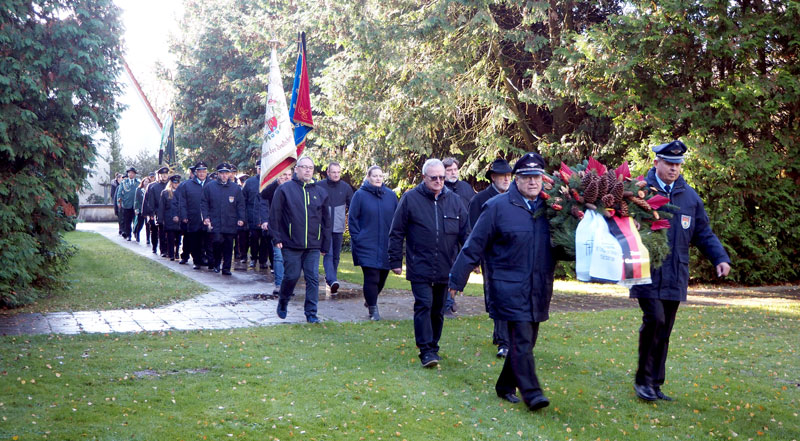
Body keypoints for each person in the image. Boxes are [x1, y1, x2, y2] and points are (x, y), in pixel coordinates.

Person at [448, 152, 556, 411]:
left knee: (527, 341)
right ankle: (533, 393)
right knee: (519, 340)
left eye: (537, 177)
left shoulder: (551, 210)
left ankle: (505, 385)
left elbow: (563, 246)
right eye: (527, 177)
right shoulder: (497, 207)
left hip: (538, 287)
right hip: (507, 286)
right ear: (516, 180)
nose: (533, 182)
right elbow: (474, 245)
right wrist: (455, 281)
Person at [631, 140, 731, 402]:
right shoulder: (638, 190)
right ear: (657, 163)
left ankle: (655, 384)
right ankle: (643, 380)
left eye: (678, 165)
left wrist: (719, 258)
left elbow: (703, 233)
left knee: (664, 330)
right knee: (655, 320)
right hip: (646, 271)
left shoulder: (689, 196)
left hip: (676, 273)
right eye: (669, 164)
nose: (674, 169)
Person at [388, 158, 470, 368]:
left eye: (442, 177)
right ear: (424, 177)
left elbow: (466, 234)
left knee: (438, 309)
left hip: (446, 265)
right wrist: (395, 260)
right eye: (434, 177)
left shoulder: (454, 201)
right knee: (424, 304)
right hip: (420, 264)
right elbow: (397, 232)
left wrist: (472, 260)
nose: (439, 181)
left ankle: (434, 346)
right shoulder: (410, 199)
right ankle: (425, 350)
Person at [269, 157, 331, 323]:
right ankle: (283, 300)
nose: (308, 170)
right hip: (291, 243)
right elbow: (275, 215)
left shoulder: (320, 192)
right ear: (296, 169)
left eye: (311, 168)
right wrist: (276, 238)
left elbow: (326, 220)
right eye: (304, 167)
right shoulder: (285, 190)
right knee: (292, 276)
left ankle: (311, 313)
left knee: (312, 278)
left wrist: (325, 243)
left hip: (313, 244)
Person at [467, 158, 513, 358]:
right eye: (502, 176)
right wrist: (475, 259)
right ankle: (503, 340)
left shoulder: (515, 197)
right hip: (491, 257)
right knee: (496, 295)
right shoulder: (480, 200)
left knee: (508, 296)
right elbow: (473, 231)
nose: (506, 179)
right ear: (493, 178)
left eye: (509, 175)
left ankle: (502, 336)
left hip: (513, 255)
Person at [348, 166, 398, 320]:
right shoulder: (360, 195)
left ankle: (370, 299)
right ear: (368, 177)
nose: (378, 178)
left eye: (380, 176)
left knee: (382, 277)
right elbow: (353, 218)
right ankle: (373, 311)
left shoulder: (390, 196)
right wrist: (358, 238)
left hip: (386, 244)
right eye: (374, 176)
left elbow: (398, 219)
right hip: (366, 244)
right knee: (372, 277)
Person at [441, 157, 475, 315]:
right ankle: (447, 303)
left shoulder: (466, 188)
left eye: (455, 169)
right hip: (447, 236)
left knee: (462, 269)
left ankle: (451, 298)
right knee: (448, 270)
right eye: (449, 170)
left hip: (466, 233)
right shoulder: (440, 189)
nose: (453, 173)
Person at [201, 162, 246, 275]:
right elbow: (204, 203)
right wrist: (206, 217)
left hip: (230, 221)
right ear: (218, 174)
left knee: (228, 244)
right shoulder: (210, 187)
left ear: (230, 174)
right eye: (222, 173)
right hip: (215, 221)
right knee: (216, 242)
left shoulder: (235, 188)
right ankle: (216, 263)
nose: (224, 175)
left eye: (226, 173)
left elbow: (240, 205)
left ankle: (226, 268)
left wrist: (241, 218)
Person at [319, 161, 354, 294]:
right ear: (328, 172)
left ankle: (331, 280)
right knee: (328, 253)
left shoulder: (345, 188)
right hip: (324, 227)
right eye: (333, 172)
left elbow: (353, 206)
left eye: (338, 172)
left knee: (336, 256)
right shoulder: (320, 186)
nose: (336, 174)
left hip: (338, 227)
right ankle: (332, 279)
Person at [261, 168, 292, 296]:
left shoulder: (295, 187)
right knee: (278, 257)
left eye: (289, 175)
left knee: (290, 259)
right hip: (277, 228)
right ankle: (279, 284)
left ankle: (288, 285)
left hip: (292, 229)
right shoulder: (273, 188)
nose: (286, 177)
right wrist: (276, 184)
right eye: (284, 174)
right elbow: (263, 195)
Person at [180, 161, 210, 270]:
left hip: (208, 219)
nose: (202, 174)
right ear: (195, 172)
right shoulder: (187, 185)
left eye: (204, 171)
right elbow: (182, 202)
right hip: (193, 217)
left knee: (207, 241)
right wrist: (184, 216)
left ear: (207, 172)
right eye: (199, 171)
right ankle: (197, 261)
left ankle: (207, 260)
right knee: (195, 241)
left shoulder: (211, 184)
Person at [242, 161, 270, 271]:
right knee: (253, 238)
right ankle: (253, 258)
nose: (261, 170)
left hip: (265, 216)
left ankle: (263, 260)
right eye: (259, 168)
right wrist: (244, 216)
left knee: (265, 240)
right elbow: (243, 200)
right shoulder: (249, 182)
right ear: (256, 169)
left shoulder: (270, 182)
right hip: (252, 216)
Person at [144, 166, 170, 255]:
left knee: (168, 232)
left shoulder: (170, 185)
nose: (164, 176)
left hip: (168, 213)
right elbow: (150, 201)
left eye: (166, 174)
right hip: (157, 212)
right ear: (159, 175)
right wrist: (151, 213)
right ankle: (158, 248)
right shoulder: (153, 186)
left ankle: (167, 249)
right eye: (163, 174)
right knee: (158, 232)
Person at [159, 174, 183, 260]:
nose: (176, 185)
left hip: (179, 219)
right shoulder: (165, 193)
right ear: (171, 183)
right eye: (174, 183)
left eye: (178, 183)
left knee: (178, 238)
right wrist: (160, 219)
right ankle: (171, 254)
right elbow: (162, 207)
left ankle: (177, 252)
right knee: (170, 237)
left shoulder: (182, 193)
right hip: (169, 218)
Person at [116, 167, 140, 241]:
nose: (131, 174)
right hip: (126, 204)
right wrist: (118, 202)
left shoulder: (138, 182)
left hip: (136, 205)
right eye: (129, 173)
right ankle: (128, 235)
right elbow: (119, 193)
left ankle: (136, 233)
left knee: (136, 221)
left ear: (135, 174)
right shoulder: (124, 182)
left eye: (132, 173)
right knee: (127, 221)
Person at [133, 175, 152, 243]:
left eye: (148, 182)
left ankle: (148, 239)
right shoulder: (138, 190)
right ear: (143, 182)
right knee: (140, 224)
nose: (146, 183)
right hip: (141, 210)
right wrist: (136, 209)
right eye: (145, 181)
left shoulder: (150, 190)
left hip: (148, 211)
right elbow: (136, 200)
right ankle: (137, 235)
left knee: (148, 225)